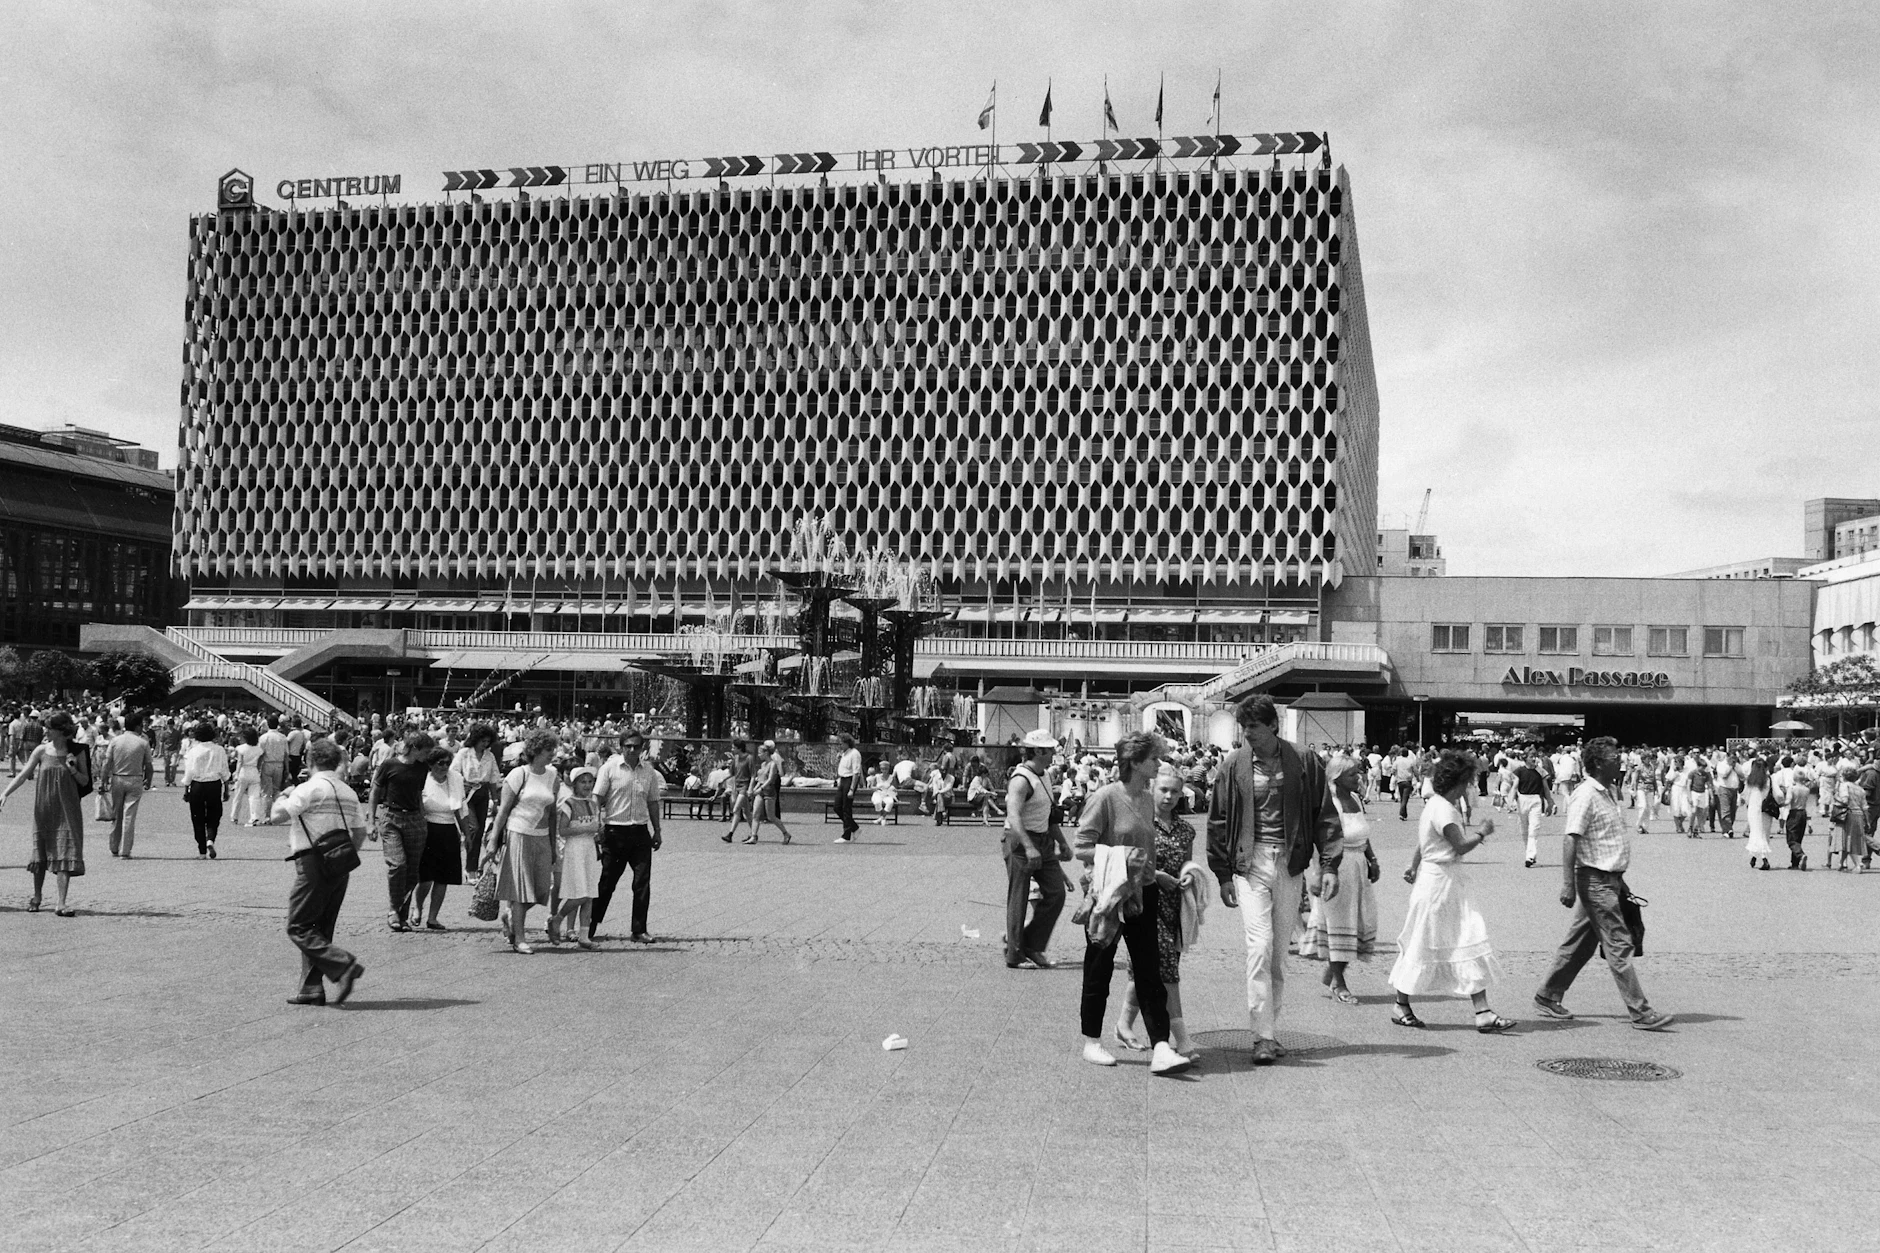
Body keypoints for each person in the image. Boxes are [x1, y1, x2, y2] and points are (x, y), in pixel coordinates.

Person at [1206, 695, 1343, 1066]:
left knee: (1279, 954)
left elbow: (1324, 815)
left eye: (1254, 726)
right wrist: (1222, 873)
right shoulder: (1234, 765)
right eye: (1244, 727)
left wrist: (1329, 865)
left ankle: (1268, 1028)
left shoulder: (1303, 760)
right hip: (1250, 864)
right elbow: (1218, 819)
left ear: (1272, 726)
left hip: (1289, 863)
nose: (1247, 733)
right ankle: (1262, 1036)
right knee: (1260, 946)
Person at [1533, 736, 1673, 1031]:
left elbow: (1605, 842)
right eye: (1613, 758)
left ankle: (1547, 994)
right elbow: (1571, 838)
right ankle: (1640, 1011)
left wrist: (1621, 881)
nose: (1619, 762)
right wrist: (1567, 884)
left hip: (1608, 879)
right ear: (1598, 763)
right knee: (1619, 943)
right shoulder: (1585, 794)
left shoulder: (1607, 792)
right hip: (1595, 881)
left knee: (1580, 944)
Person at [1073, 731, 1191, 1075]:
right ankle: (1092, 1040)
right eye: (1154, 758)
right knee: (1100, 965)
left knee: (1148, 968)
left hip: (1143, 892)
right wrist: (1122, 858)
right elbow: (1081, 846)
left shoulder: (1146, 799)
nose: (1158, 763)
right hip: (1110, 893)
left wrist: (1152, 874)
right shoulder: (1105, 798)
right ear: (1136, 762)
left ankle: (1161, 1046)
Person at [1387, 749, 1514, 1032]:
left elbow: (1424, 842)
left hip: (1442, 881)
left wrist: (1413, 865)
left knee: (1463, 936)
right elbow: (1460, 845)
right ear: (1459, 783)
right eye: (1468, 782)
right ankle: (1401, 1003)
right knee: (1431, 939)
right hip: (1440, 884)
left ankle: (1482, 1011)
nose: (1469, 787)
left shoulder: (1435, 805)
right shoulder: (1444, 809)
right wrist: (1482, 833)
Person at [1114, 764, 1206, 1055]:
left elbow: (1186, 862)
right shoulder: (1139, 823)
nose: (1168, 797)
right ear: (1152, 789)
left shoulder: (1186, 830)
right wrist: (1156, 876)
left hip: (1173, 906)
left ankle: (1123, 1025)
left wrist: (1188, 874)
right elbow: (1125, 861)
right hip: (1143, 904)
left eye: (1175, 792)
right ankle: (1182, 1038)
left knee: (1148, 969)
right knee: (1166, 970)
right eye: (1163, 790)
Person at [271, 738, 368, 1005]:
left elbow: (277, 816)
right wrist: (344, 855)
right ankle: (311, 987)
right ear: (336, 762)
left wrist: (283, 796)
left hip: (311, 860)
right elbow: (360, 832)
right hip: (340, 862)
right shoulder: (348, 792)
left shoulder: (308, 788)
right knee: (322, 927)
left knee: (299, 925)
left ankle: (344, 965)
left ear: (309, 761)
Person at [1302, 753, 1379, 1006]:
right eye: (1352, 774)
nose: (1358, 777)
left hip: (1358, 867)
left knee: (1359, 922)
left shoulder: (1355, 798)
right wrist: (1319, 873)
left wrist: (1372, 859)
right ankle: (1339, 982)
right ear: (1336, 777)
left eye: (1358, 772)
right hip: (1336, 869)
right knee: (1338, 924)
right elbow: (1320, 841)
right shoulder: (1329, 803)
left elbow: (1362, 833)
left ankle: (1333, 972)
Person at [0, 710, 88, 915]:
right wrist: (5, 793)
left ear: (61, 730)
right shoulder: (41, 750)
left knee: (65, 850)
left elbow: (85, 781)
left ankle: (61, 903)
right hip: (44, 808)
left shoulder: (76, 752)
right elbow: (23, 775)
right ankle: (37, 896)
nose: (45, 731)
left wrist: (73, 769)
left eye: (48, 728)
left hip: (67, 809)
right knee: (40, 852)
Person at [485, 728, 560, 954]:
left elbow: (552, 814)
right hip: (518, 834)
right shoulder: (519, 774)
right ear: (535, 750)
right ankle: (520, 938)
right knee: (520, 890)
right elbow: (503, 810)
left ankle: (510, 916)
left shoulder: (553, 776)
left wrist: (553, 844)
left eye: (553, 749)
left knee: (541, 890)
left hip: (542, 836)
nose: (552, 753)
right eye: (548, 749)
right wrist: (493, 840)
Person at [1002, 729, 1068, 972]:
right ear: (1038, 751)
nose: (1053, 753)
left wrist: (1062, 843)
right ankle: (1014, 954)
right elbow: (1013, 815)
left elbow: (1047, 815)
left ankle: (1030, 944)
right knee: (1018, 898)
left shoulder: (1045, 775)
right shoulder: (1021, 779)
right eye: (1050, 750)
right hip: (1021, 841)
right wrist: (1029, 847)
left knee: (1056, 893)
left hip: (1043, 839)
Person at [592, 730, 663, 942]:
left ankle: (639, 930)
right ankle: (589, 925)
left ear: (642, 748)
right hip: (615, 831)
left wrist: (657, 830)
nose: (632, 750)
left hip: (640, 831)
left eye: (636, 746)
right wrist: (596, 826)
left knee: (642, 882)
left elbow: (653, 801)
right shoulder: (609, 768)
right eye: (628, 746)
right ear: (621, 747)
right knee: (607, 882)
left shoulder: (648, 771)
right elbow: (597, 798)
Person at [368, 730, 437, 932]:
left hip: (415, 819)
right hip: (391, 818)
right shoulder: (389, 765)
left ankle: (402, 915)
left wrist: (423, 819)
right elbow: (375, 791)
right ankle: (393, 909)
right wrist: (371, 821)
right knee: (397, 864)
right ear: (414, 748)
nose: (427, 756)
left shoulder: (421, 768)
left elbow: (418, 794)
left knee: (412, 871)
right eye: (425, 751)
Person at [411, 747, 468, 931]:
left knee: (443, 878)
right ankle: (417, 907)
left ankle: (433, 918)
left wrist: (466, 834)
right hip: (427, 829)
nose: (444, 767)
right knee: (426, 878)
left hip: (448, 830)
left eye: (447, 763)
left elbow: (460, 810)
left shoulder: (455, 780)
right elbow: (418, 806)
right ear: (431, 764)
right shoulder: (424, 780)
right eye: (440, 763)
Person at [550, 765, 602, 949]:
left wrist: (598, 831)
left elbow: (595, 827)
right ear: (574, 784)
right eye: (583, 782)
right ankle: (558, 918)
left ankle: (584, 936)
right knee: (580, 893)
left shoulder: (593, 804)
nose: (587, 785)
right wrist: (585, 828)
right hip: (575, 849)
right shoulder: (569, 803)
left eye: (590, 782)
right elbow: (563, 830)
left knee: (590, 895)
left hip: (588, 848)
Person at [103, 711, 154, 859]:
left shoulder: (115, 741)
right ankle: (125, 850)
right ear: (137, 726)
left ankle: (114, 846)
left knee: (116, 814)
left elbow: (107, 762)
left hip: (117, 778)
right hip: (135, 778)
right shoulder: (143, 742)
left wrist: (104, 780)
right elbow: (149, 765)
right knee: (129, 815)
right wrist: (148, 780)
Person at [452, 723, 502, 874]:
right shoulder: (464, 753)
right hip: (467, 793)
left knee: (480, 832)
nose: (485, 744)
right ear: (475, 739)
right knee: (474, 828)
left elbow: (493, 779)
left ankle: (472, 866)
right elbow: (454, 772)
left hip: (483, 793)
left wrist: (495, 801)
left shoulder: (489, 756)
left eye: (488, 741)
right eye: (482, 741)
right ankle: (469, 869)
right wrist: (460, 790)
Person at [180, 720, 231, 858]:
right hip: (214, 785)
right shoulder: (219, 750)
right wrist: (226, 789)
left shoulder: (193, 751)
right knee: (214, 815)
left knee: (197, 817)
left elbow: (189, 772)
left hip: (197, 785)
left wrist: (186, 790)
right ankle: (210, 839)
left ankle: (202, 851)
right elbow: (224, 771)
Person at [742, 740, 795, 845]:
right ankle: (753, 836)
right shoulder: (763, 764)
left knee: (771, 816)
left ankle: (786, 833)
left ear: (766, 753)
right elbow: (760, 780)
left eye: (760, 753)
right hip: (761, 792)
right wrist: (754, 789)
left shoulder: (772, 764)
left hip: (769, 792)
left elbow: (770, 779)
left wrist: (761, 789)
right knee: (755, 814)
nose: (758, 755)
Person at [1828, 764, 1869, 873]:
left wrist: (1835, 797)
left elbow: (1845, 800)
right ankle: (1841, 863)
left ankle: (1857, 865)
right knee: (1851, 839)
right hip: (1859, 814)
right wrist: (1867, 821)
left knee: (1848, 840)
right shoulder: (1860, 789)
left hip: (1847, 814)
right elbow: (1865, 807)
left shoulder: (1844, 786)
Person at [717, 740, 758, 843]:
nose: (732, 749)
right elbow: (732, 773)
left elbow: (753, 775)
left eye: (733, 747)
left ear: (739, 748)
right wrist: (723, 780)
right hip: (737, 786)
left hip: (744, 787)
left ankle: (730, 834)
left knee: (736, 809)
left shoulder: (749, 758)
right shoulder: (735, 759)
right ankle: (753, 834)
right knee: (747, 812)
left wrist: (750, 788)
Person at [1513, 753, 1547, 868]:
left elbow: (1545, 788)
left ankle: (1530, 856)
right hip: (1523, 799)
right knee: (1524, 830)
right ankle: (1530, 852)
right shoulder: (1519, 771)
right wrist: (1510, 801)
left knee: (1534, 828)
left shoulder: (1540, 771)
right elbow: (1514, 787)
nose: (1534, 759)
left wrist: (1550, 802)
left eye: (1535, 756)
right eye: (1531, 756)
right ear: (1525, 758)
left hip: (1535, 799)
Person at [1744, 753, 1774, 871]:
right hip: (1766, 808)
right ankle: (1759, 856)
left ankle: (1758, 856)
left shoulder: (1750, 780)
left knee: (1755, 832)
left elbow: (1746, 795)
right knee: (1764, 833)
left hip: (1753, 807)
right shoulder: (1768, 780)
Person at [256, 716, 290, 822]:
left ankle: (267, 816)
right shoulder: (283, 737)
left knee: (266, 792)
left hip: (267, 763)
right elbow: (286, 755)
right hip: (279, 764)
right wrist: (287, 769)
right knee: (276, 790)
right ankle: (279, 812)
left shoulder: (264, 737)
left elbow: (260, 754)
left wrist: (257, 767)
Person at [229, 726, 265, 827]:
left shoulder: (241, 748)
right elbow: (259, 763)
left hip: (243, 771)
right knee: (254, 797)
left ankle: (234, 816)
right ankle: (254, 817)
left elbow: (239, 762)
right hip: (254, 771)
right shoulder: (259, 749)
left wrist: (236, 774)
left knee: (238, 796)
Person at [832, 731, 863, 843]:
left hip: (850, 780)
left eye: (841, 743)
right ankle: (854, 827)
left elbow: (856, 772)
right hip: (843, 780)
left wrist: (851, 789)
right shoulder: (844, 754)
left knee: (846, 808)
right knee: (837, 807)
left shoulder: (854, 754)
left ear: (847, 743)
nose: (839, 746)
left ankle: (846, 835)